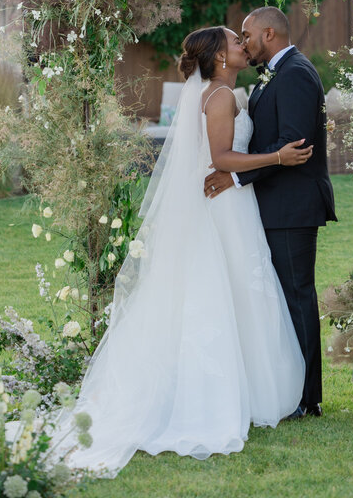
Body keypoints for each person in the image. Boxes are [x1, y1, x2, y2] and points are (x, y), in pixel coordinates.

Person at [50, 25, 310, 475]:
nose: (242, 45)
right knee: (231, 291)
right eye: (234, 42)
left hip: (228, 200)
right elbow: (222, 158)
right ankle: (231, 393)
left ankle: (242, 388)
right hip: (225, 205)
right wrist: (277, 158)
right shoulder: (221, 97)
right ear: (219, 57)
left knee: (236, 290)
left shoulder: (219, 92)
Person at [204, 7, 337, 418]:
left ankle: (306, 398)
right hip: (272, 203)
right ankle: (286, 386)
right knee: (282, 298)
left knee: (297, 297)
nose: (243, 42)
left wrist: (236, 178)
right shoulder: (273, 74)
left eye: (246, 35)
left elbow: (291, 147)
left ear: (268, 33)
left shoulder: (296, 73)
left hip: (293, 204)